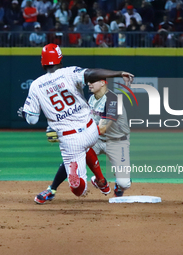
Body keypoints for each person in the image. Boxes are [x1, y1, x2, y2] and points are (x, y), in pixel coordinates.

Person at [19, 43, 134, 202]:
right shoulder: (71, 74)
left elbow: (31, 119)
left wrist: (25, 114)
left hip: (109, 141)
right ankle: (91, 181)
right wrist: (118, 73)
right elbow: (91, 73)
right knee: (84, 146)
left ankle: (80, 177)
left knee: (80, 189)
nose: (90, 84)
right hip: (92, 133)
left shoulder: (35, 85)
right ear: (60, 59)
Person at [33, 77, 132, 204]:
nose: (89, 84)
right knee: (74, 150)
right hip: (97, 139)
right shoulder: (91, 99)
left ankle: (119, 185)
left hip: (117, 142)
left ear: (103, 83)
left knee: (125, 183)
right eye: (89, 81)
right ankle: (52, 190)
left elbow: (102, 128)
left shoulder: (113, 101)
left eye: (93, 81)